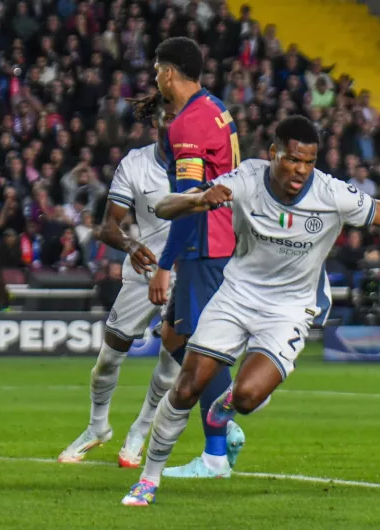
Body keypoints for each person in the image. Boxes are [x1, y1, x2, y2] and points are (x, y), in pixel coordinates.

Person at [121, 115, 380, 506]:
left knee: (246, 397)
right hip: (237, 295)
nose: (300, 171)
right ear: (274, 152)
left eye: (309, 162)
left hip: (290, 309)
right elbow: (163, 207)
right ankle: (148, 479)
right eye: (293, 160)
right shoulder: (244, 179)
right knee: (188, 385)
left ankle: (226, 405)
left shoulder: (331, 194)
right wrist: (198, 198)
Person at [58, 95, 180, 467]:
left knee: (171, 361)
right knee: (108, 359)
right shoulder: (136, 164)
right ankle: (97, 427)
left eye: (178, 120)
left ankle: (140, 430)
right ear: (156, 124)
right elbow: (107, 226)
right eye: (165, 121)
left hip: (187, 273)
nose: (172, 128)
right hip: (145, 272)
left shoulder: (205, 164)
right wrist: (130, 244)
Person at [145, 37, 245, 478]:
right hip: (221, 239)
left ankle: (217, 451)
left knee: (206, 347)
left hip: (207, 244)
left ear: (169, 73)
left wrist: (166, 264)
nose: (154, 79)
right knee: (171, 335)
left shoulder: (188, 123)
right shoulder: (215, 108)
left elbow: (189, 202)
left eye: (156, 70)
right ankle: (224, 422)